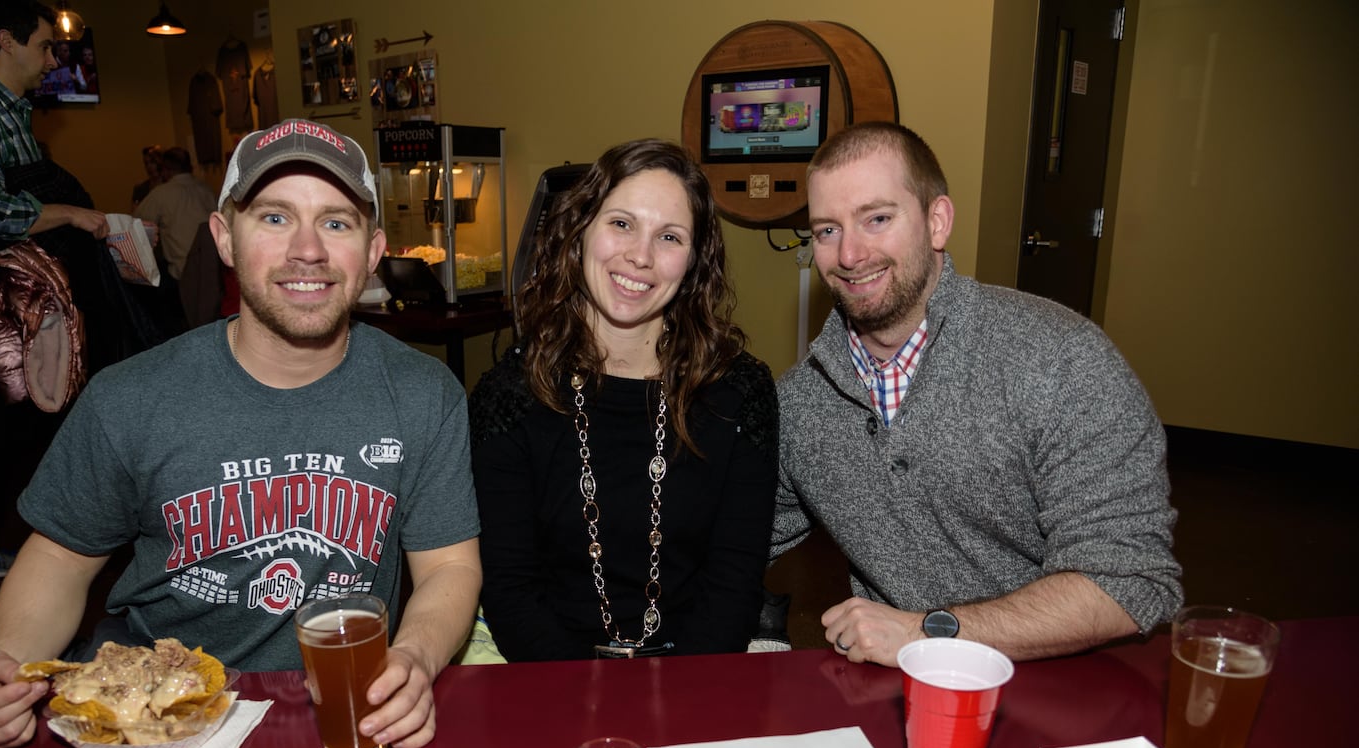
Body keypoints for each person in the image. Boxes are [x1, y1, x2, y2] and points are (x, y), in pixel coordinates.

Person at [0, 118, 483, 748]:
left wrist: (414, 658)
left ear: (372, 250)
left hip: (348, 710)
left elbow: (448, 566)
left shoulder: (424, 392)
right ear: (225, 239)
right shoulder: (131, 397)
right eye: (274, 218)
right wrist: (9, 666)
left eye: (336, 222)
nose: (307, 249)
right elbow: (60, 557)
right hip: (155, 719)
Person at [772, 121, 1181, 667]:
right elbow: (727, 535)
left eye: (877, 219)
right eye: (826, 230)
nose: (849, 253)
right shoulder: (802, 402)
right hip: (891, 695)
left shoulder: (1061, 358)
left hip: (1058, 680)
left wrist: (927, 634)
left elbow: (1128, 581)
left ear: (936, 221)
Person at [469, 139, 777, 661]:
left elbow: (733, 586)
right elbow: (513, 594)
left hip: (695, 672)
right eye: (621, 223)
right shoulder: (510, 397)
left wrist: (673, 702)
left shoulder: (739, 392)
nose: (640, 255)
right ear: (580, 231)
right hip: (552, 679)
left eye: (670, 236)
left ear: (695, 261)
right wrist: (590, 704)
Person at [0, 0, 109, 582]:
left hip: (16, 290)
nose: (52, 58)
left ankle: (3, 542)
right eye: (43, 46)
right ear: (6, 41)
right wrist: (69, 214)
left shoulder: (13, 111)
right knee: (0, 417)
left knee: (27, 412)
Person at [134, 146, 216, 285]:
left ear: (165, 170)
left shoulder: (160, 194)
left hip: (182, 273)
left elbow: (136, 225)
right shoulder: (207, 190)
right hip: (213, 267)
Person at [131, 144, 162, 209]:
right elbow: (135, 212)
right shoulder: (140, 188)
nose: (149, 166)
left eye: (153, 162)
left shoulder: (171, 186)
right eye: (146, 163)